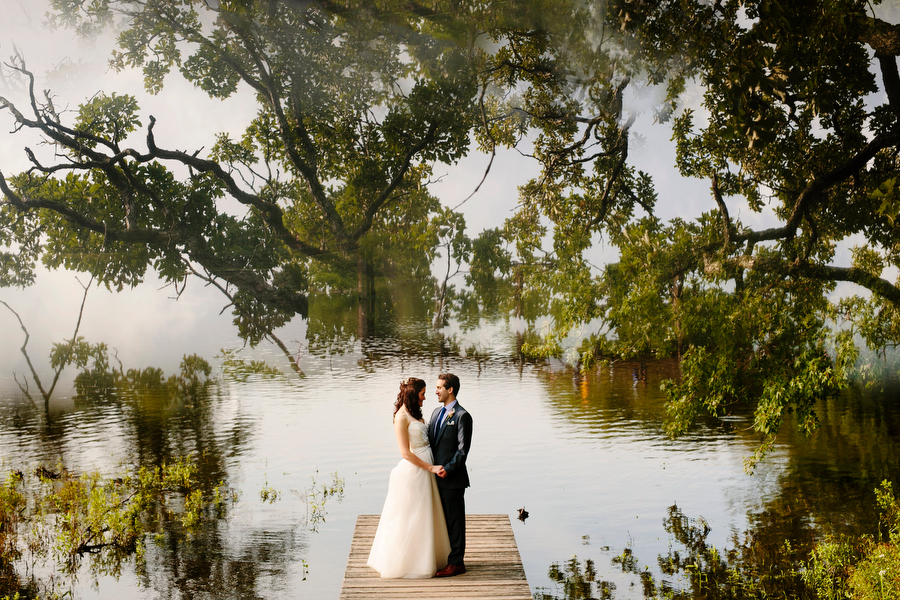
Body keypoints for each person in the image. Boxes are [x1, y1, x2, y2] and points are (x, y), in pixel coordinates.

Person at [367, 377, 451, 578]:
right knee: (411, 517)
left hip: (427, 467)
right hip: (416, 470)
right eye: (422, 393)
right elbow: (405, 452)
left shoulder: (416, 413)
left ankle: (430, 557)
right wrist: (429, 467)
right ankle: (409, 562)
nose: (425, 397)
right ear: (414, 394)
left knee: (427, 515)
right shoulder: (401, 416)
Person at [428, 372, 473, 577]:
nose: (435, 391)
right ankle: (443, 557)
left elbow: (463, 450)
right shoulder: (436, 412)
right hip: (432, 477)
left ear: (450, 390)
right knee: (440, 520)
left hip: (452, 478)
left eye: (439, 387)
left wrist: (449, 468)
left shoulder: (463, 416)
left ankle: (456, 563)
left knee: (455, 521)